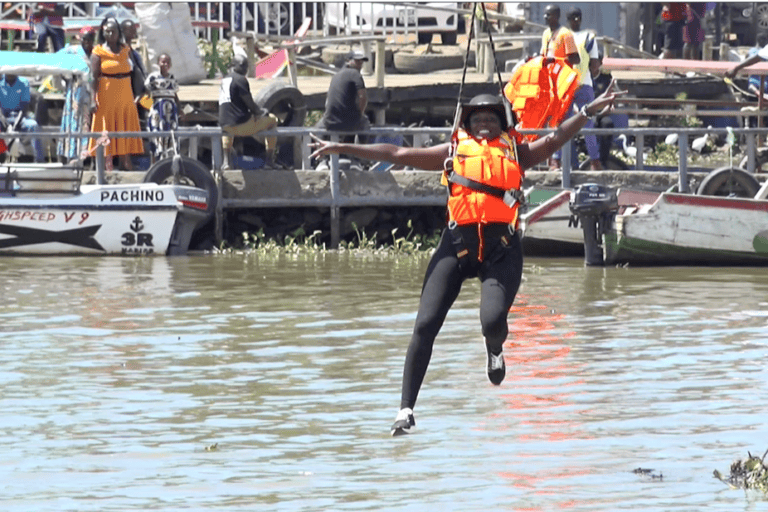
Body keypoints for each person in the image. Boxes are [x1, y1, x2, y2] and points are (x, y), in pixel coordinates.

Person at [309, 83, 624, 436]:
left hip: (501, 249)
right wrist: (342, 147)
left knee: (492, 322)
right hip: (456, 247)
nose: (484, 124)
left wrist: (587, 111)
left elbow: (556, 137)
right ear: (467, 124)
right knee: (425, 325)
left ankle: (495, 349)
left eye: (491, 118)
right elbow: (397, 153)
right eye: (477, 120)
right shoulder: (452, 152)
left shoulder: (516, 153)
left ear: (502, 123)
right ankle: (405, 410)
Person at [88, 16, 144, 171]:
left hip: (125, 94)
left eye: (113, 31)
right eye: (107, 31)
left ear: (119, 33)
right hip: (106, 94)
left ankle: (126, 162)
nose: (110, 34)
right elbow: (93, 77)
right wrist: (92, 99)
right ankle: (107, 164)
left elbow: (136, 71)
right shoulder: (98, 51)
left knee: (124, 126)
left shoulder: (126, 49)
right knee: (107, 127)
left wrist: (140, 92)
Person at [218, 54, 281, 170]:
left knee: (228, 123)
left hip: (224, 125)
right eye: (242, 66)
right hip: (241, 126)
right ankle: (269, 161)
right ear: (233, 65)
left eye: (246, 66)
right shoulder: (240, 79)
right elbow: (250, 104)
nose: (245, 69)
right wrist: (261, 112)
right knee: (272, 120)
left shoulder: (224, 80)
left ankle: (226, 162)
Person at [540, 4, 579, 170]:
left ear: (556, 16)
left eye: (548, 15)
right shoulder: (546, 34)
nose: (545, 18)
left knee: (560, 121)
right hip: (550, 85)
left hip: (564, 85)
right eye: (545, 15)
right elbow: (544, 55)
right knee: (554, 123)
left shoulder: (565, 34)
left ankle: (555, 160)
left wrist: (556, 61)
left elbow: (575, 58)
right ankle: (573, 163)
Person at [566, 7, 601, 170]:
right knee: (586, 125)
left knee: (564, 126)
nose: (576, 20)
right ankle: (593, 162)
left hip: (568, 86)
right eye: (575, 18)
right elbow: (595, 65)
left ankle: (563, 163)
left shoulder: (562, 36)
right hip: (581, 84)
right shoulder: (588, 37)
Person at [316, 50, 372, 144]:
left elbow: (327, 101)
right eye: (357, 61)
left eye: (361, 62)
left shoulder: (336, 75)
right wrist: (360, 114)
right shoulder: (355, 74)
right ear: (348, 61)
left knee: (318, 128)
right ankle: (361, 151)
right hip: (348, 123)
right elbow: (363, 97)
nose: (360, 64)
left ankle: (322, 149)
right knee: (365, 123)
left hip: (329, 121)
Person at [57, 26, 95, 163]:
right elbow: (56, 58)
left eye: (89, 39)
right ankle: (69, 154)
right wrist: (65, 75)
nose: (87, 42)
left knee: (86, 124)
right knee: (72, 122)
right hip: (74, 91)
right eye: (84, 39)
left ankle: (84, 156)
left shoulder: (95, 53)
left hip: (89, 93)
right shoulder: (72, 50)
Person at [0, 73, 45, 162]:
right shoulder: (0, 82)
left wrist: (17, 121)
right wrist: (2, 117)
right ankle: (2, 157)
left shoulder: (24, 82)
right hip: (4, 117)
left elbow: (25, 105)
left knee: (34, 126)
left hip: (20, 117)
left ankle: (39, 160)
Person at [144, 53, 180, 160]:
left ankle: (169, 161)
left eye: (168, 62)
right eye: (163, 62)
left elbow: (175, 95)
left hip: (171, 111)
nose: (165, 64)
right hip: (158, 110)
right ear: (158, 63)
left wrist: (180, 109)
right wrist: (149, 107)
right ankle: (155, 162)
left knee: (171, 136)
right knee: (156, 135)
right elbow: (145, 93)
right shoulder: (153, 77)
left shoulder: (172, 77)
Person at [120, 19, 147, 103]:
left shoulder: (135, 52)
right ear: (122, 31)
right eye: (130, 29)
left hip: (140, 92)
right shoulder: (121, 51)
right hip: (129, 91)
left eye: (134, 28)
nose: (134, 31)